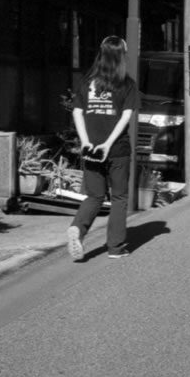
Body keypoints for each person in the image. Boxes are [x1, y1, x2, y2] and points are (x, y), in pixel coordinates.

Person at [66, 35, 138, 261]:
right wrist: (108, 143)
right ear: (121, 56)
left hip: (91, 149)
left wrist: (87, 142)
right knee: (118, 198)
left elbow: (77, 112)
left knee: (94, 196)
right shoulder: (127, 84)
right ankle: (115, 248)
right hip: (117, 149)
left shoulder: (87, 82)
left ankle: (78, 227)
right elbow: (125, 117)